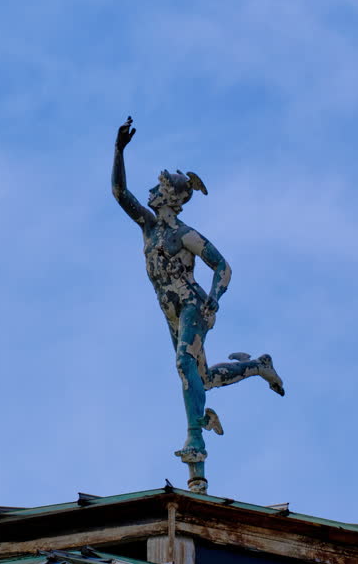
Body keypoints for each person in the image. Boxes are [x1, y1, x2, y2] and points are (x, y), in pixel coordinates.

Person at [112, 117, 284, 469]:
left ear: (170, 199)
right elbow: (119, 193)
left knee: (182, 363)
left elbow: (223, 266)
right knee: (200, 379)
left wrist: (214, 298)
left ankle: (195, 438)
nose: (152, 191)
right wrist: (118, 150)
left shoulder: (185, 235)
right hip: (171, 312)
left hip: (192, 306)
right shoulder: (148, 227)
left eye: (158, 188)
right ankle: (257, 367)